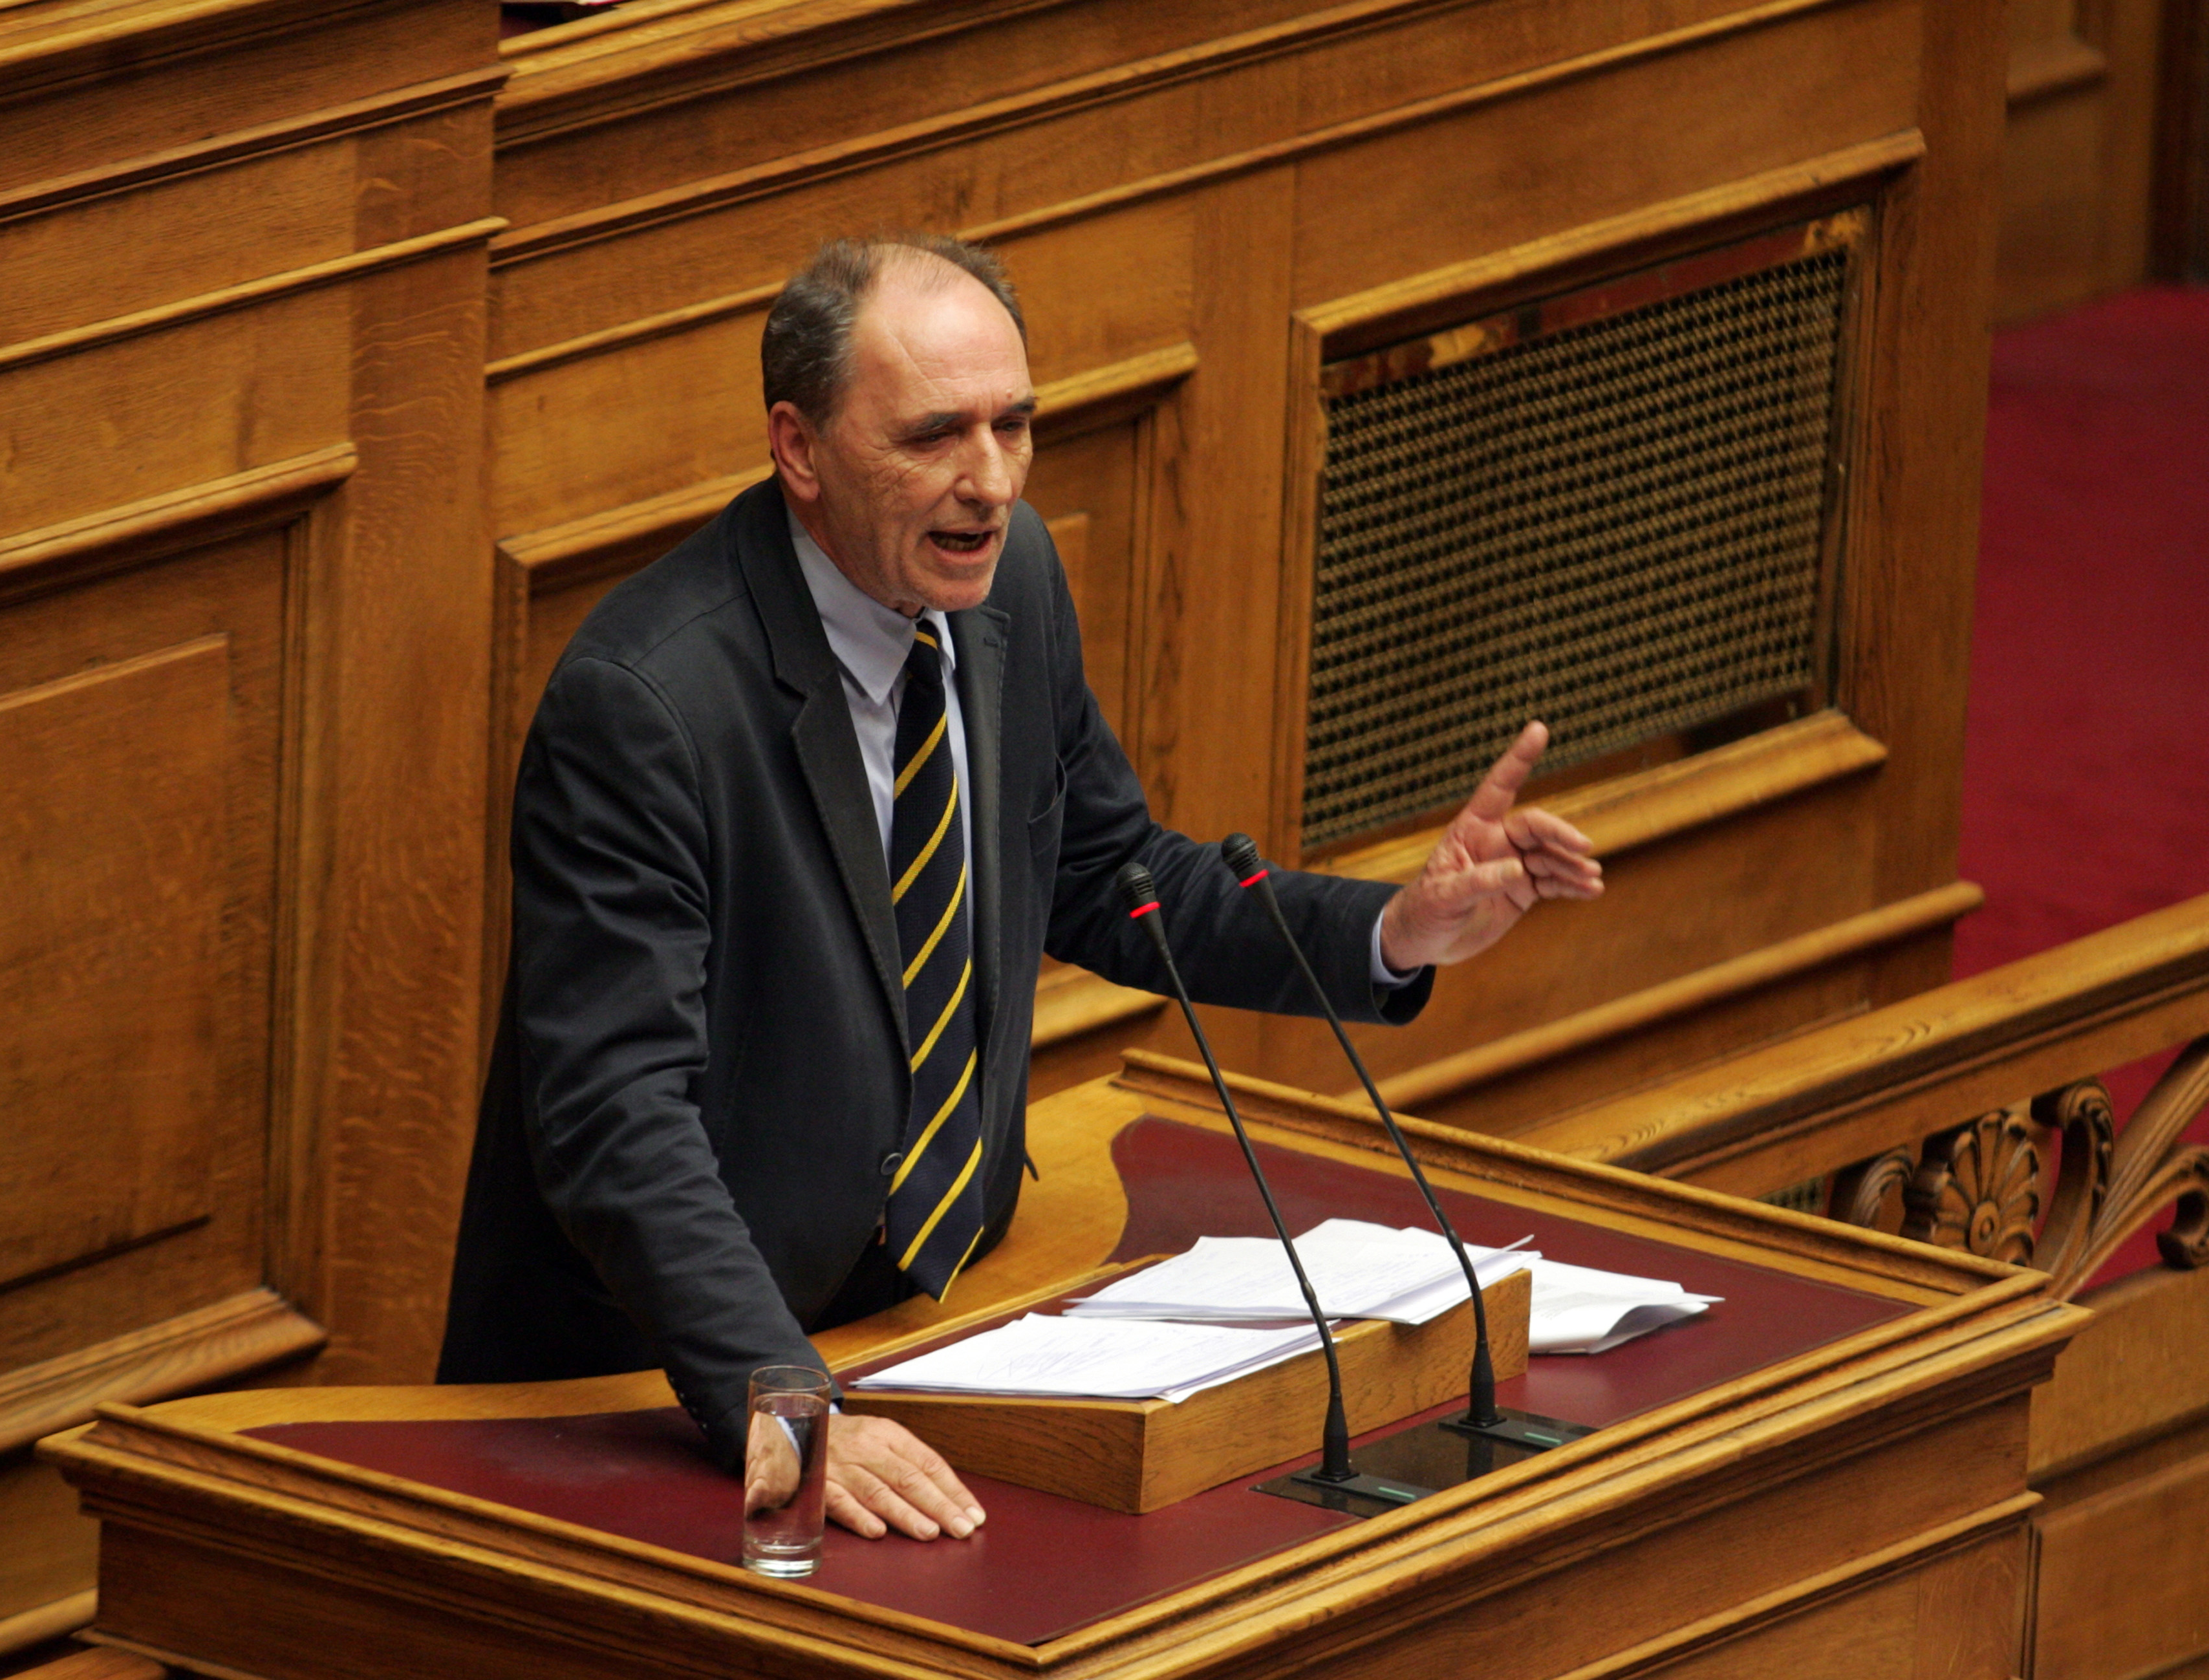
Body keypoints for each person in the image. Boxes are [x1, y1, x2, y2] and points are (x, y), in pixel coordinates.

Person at [439, 234, 1602, 1546]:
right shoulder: (646, 703)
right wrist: (789, 1404)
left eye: (1013, 425)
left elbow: (1107, 874)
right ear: (798, 448)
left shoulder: (1008, 585)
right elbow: (613, 1113)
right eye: (934, 435)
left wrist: (1390, 930)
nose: (988, 481)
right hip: (658, 1388)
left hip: (923, 1329)